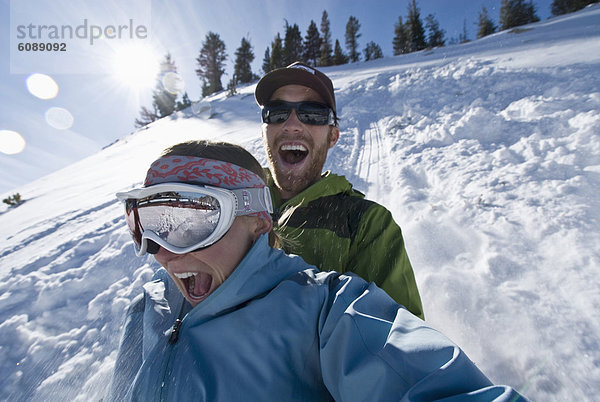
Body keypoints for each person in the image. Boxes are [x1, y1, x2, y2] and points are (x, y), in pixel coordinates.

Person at [107, 140, 527, 401]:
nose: (162, 254)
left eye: (190, 222)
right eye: (147, 225)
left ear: (258, 219)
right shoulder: (146, 308)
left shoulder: (325, 309)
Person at [255, 62, 424, 319]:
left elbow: (398, 344)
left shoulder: (367, 225)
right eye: (277, 113)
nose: (291, 125)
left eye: (312, 114)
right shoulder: (232, 202)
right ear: (264, 131)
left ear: (332, 137)